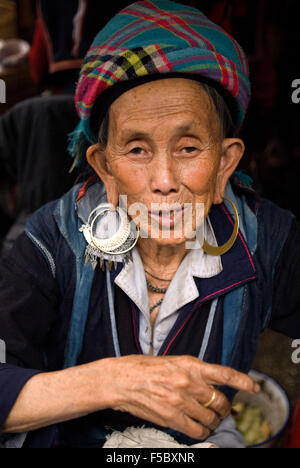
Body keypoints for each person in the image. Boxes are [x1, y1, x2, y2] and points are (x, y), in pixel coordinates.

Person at [0, 0, 299, 448]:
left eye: (189, 148)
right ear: (104, 168)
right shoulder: (53, 241)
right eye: (137, 150)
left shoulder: (269, 240)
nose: (164, 182)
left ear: (224, 165)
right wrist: (117, 381)